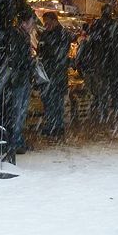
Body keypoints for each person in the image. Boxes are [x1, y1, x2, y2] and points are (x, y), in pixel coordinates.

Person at [37, 11, 72, 139]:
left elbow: (59, 54)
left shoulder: (62, 34)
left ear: (54, 20)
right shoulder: (47, 34)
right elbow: (42, 50)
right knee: (48, 100)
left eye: (47, 22)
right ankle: (52, 125)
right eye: (44, 23)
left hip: (57, 74)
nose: (46, 25)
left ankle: (56, 126)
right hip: (48, 74)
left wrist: (47, 53)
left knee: (56, 100)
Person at [7, 8, 36, 154]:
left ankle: (18, 140)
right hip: (20, 78)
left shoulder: (21, 35)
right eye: (31, 23)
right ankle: (15, 141)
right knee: (18, 111)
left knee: (20, 111)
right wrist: (30, 62)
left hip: (21, 77)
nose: (32, 26)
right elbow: (19, 59)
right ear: (24, 23)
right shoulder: (19, 36)